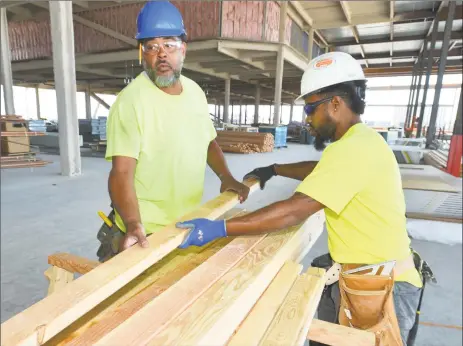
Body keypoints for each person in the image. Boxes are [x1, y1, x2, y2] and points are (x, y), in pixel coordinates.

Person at [176, 52, 424, 345]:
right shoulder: (363, 141)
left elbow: (293, 211)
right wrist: (275, 168)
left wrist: (219, 229)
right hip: (372, 277)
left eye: (310, 109)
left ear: (335, 104)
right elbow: (323, 171)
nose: (307, 120)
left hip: (382, 289)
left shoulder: (352, 149)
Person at [97, 1, 249, 261]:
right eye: (152, 47)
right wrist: (133, 223)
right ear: (142, 54)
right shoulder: (130, 101)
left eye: (169, 44)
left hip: (186, 224)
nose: (162, 54)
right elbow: (121, 172)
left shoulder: (195, 92)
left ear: (183, 50)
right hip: (145, 234)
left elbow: (208, 141)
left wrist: (226, 176)